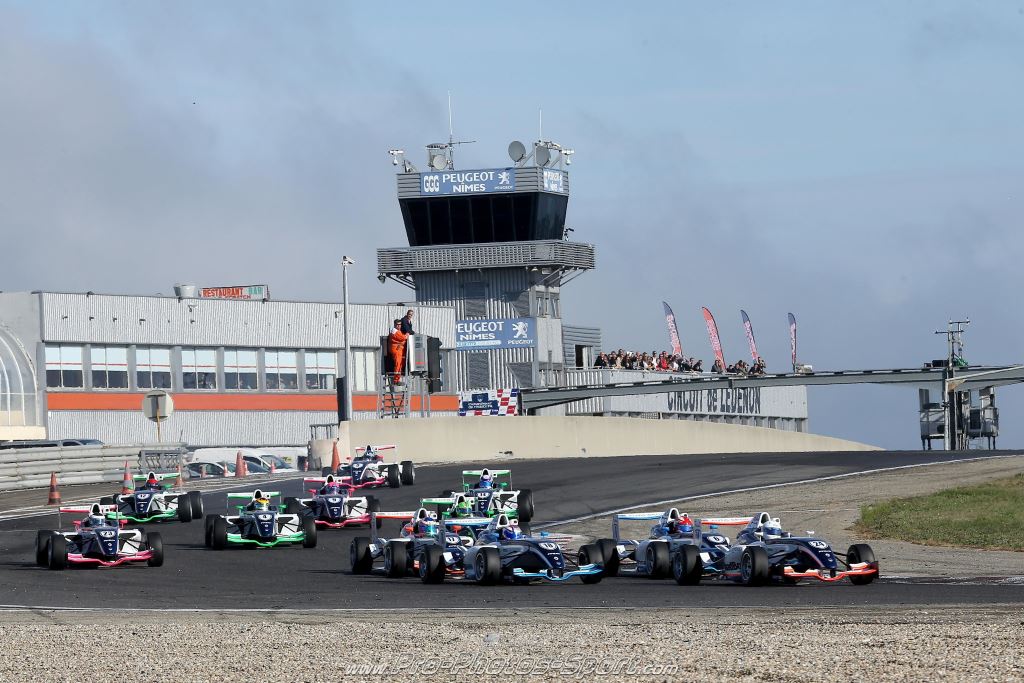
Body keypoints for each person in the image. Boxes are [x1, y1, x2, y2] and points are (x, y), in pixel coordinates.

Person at [388, 319, 408, 384]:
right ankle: (396, 380)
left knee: (399, 364)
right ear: (395, 325)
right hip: (397, 349)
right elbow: (403, 338)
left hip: (398, 349)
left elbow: (402, 339)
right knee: (398, 364)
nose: (399, 326)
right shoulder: (396, 332)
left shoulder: (397, 331)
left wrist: (403, 340)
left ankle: (397, 379)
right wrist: (406, 335)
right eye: (398, 325)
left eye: (400, 324)